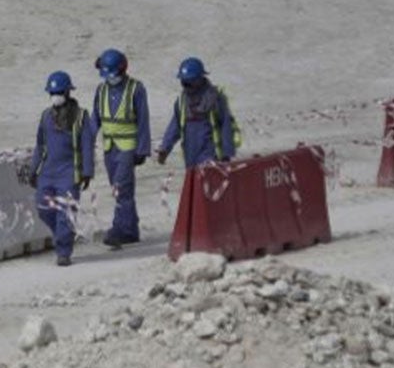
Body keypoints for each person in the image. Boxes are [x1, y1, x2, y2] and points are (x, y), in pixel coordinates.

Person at [83, 49, 150, 249]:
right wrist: (86, 138)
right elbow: (96, 118)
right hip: (109, 147)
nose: (109, 78)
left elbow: (143, 120)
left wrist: (142, 149)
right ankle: (131, 229)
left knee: (122, 187)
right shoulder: (101, 90)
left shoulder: (136, 89)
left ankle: (119, 229)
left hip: (128, 147)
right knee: (118, 188)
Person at [31, 71, 93, 267]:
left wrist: (87, 171)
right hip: (48, 172)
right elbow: (40, 146)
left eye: (59, 92)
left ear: (67, 92)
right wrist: (34, 170)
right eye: (52, 92)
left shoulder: (81, 116)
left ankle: (64, 251)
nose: (55, 95)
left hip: (69, 172)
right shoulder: (45, 116)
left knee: (66, 212)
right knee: (43, 208)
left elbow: (87, 145)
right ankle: (62, 235)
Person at [155, 56, 239, 168]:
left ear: (199, 79)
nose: (185, 85)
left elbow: (226, 125)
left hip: (211, 156)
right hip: (190, 157)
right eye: (183, 82)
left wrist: (228, 153)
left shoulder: (214, 97)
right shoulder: (182, 101)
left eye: (189, 82)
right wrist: (165, 148)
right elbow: (174, 127)